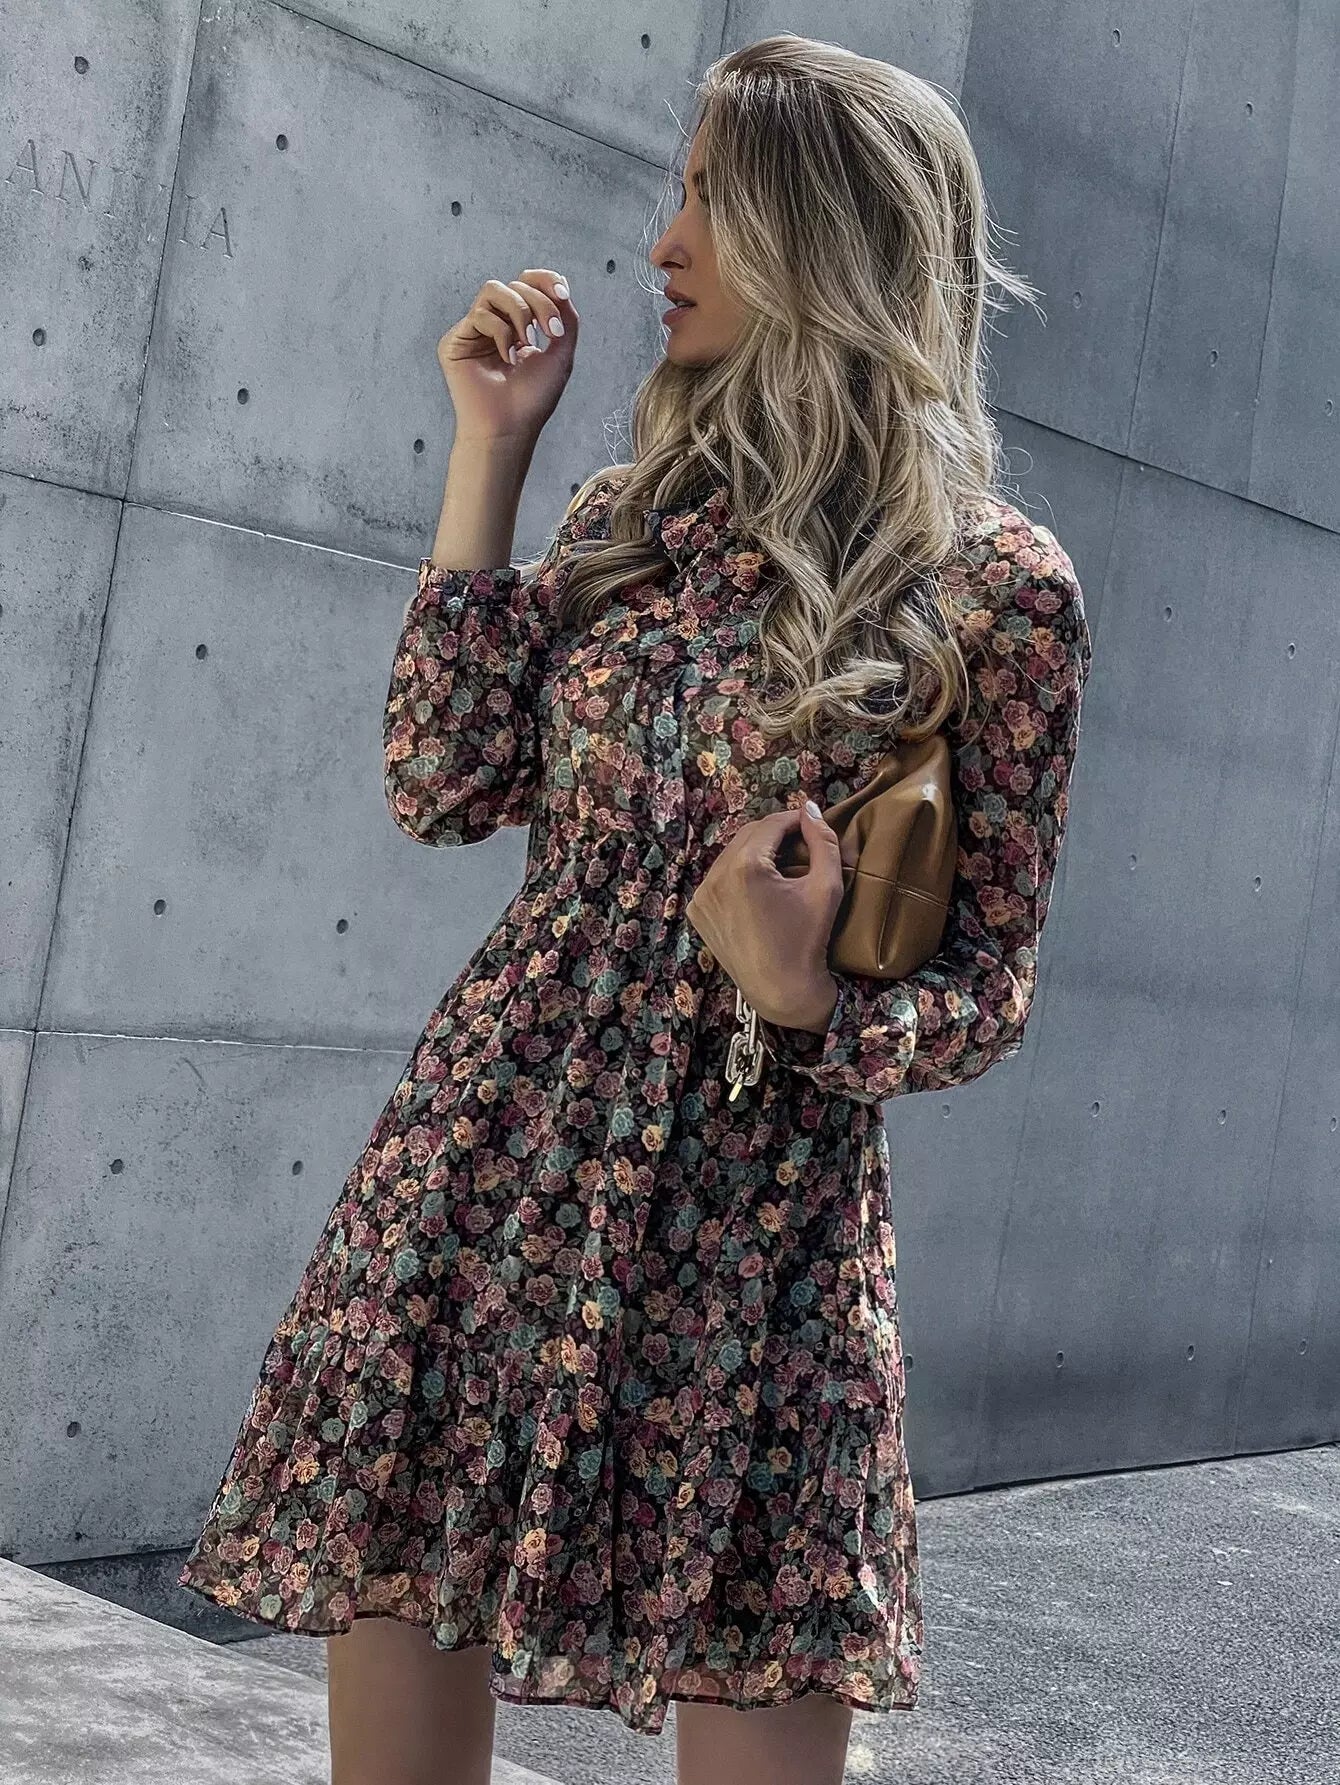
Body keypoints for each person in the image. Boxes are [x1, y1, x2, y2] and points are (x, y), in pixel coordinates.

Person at [176, 32, 1092, 1785]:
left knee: (761, 1669)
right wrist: (491, 458)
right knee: (396, 1633)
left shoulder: (997, 591)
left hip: (757, 1236)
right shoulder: (634, 518)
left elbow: (991, 985)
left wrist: (812, 1001)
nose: (663, 243)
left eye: (712, 203)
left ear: (825, 238)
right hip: (488, 1168)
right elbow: (444, 778)